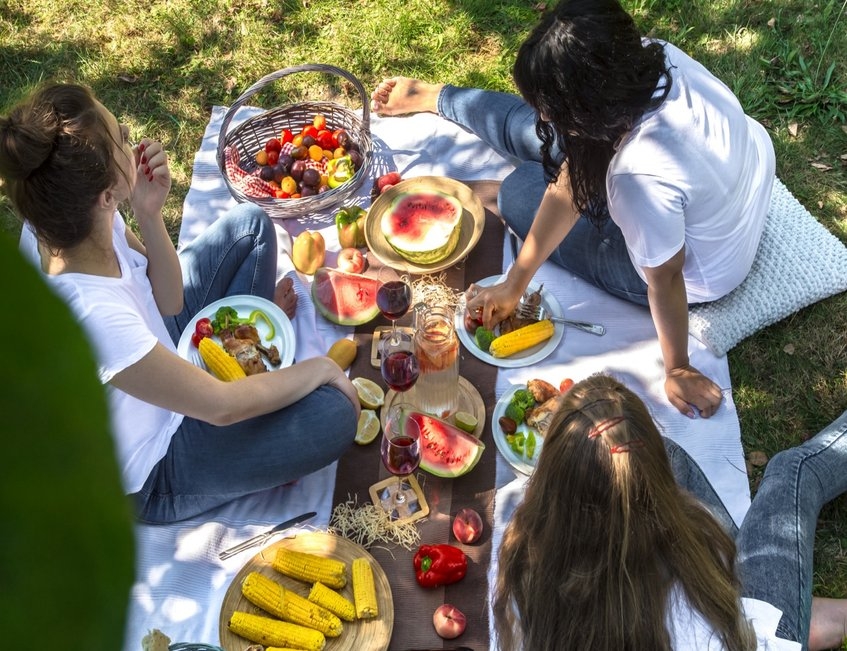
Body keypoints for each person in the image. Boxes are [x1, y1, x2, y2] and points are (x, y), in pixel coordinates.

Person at [370, 0, 775, 420]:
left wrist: (677, 366)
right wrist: (514, 282)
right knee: (538, 134)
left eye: (553, 108)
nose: (544, 113)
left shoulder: (638, 179)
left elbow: (667, 277)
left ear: (590, 110)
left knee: (522, 190)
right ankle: (438, 97)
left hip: (700, 268)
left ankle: (454, 105)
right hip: (735, 181)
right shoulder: (655, 57)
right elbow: (578, 164)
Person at [0, 82, 360, 523]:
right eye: (122, 137)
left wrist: (149, 213)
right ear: (106, 193)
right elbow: (220, 406)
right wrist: (321, 368)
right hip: (157, 465)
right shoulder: (90, 314)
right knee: (336, 413)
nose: (132, 139)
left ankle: (253, 365)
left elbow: (167, 301)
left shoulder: (66, 221)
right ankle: (260, 413)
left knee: (249, 227)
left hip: (158, 357)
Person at [491, 373, 847, 651]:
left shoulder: (525, 552)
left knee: (665, 452)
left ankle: (805, 612)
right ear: (655, 488)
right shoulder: (697, 576)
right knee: (792, 472)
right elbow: (734, 620)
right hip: (752, 635)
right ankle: (809, 619)